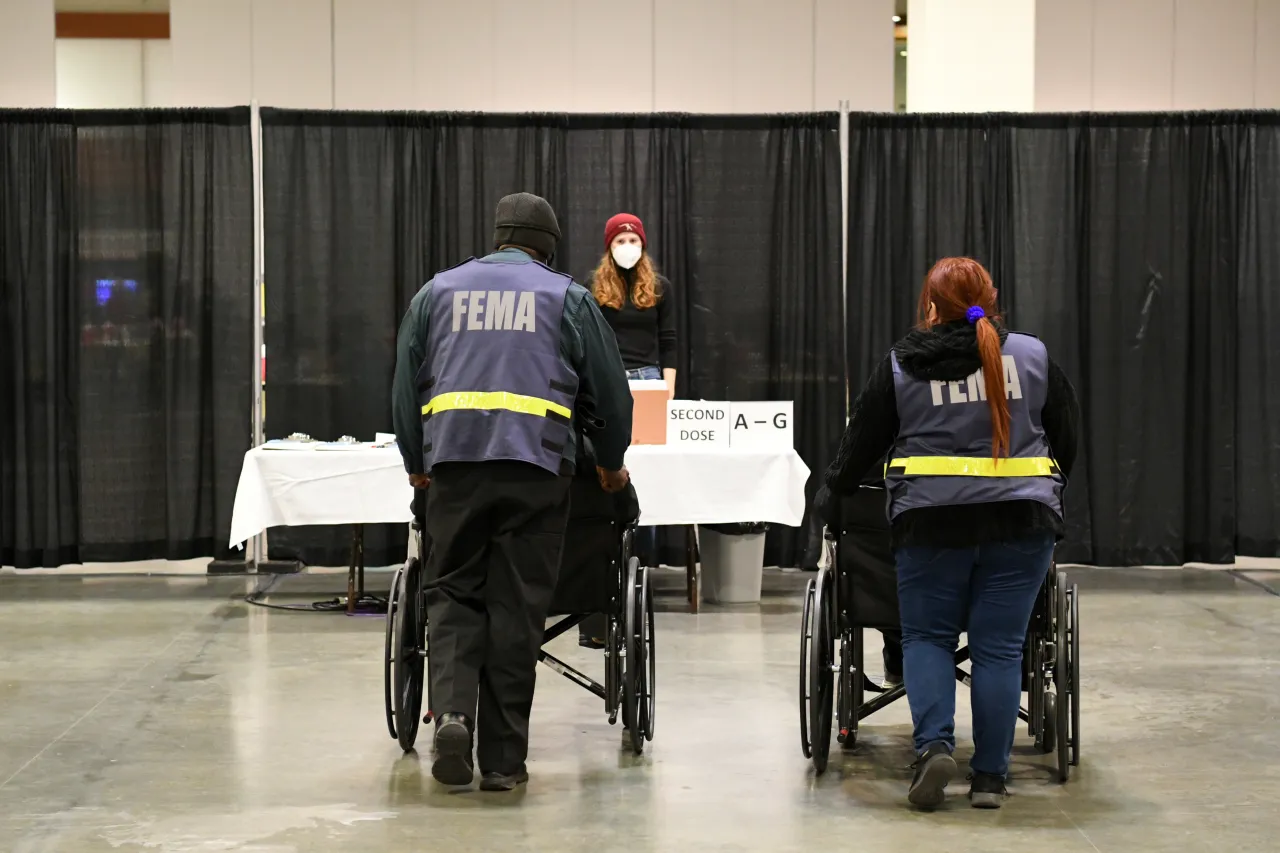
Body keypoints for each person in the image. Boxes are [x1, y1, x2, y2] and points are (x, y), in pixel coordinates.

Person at [817, 257, 1079, 810]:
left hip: (930, 525)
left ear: (930, 307)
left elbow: (852, 458)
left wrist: (833, 498)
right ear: (993, 298)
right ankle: (989, 777)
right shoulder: (1032, 356)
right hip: (1022, 523)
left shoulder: (901, 366)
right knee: (1000, 650)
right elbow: (1068, 438)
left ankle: (934, 747)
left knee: (928, 639)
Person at [392, 192, 633, 792]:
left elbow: (404, 385)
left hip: (455, 468)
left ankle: (451, 715)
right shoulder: (568, 299)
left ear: (498, 234)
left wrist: (416, 464)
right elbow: (610, 394)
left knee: (449, 591)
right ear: (548, 246)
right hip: (536, 469)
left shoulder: (436, 293)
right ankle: (502, 761)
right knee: (516, 605)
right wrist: (609, 465)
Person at [578, 212, 677, 648]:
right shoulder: (594, 290)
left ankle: (641, 556)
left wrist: (667, 386)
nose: (626, 244)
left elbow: (670, 338)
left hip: (650, 378)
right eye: (619, 238)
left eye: (632, 237)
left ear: (643, 242)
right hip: (609, 379)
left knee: (650, 465)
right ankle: (610, 552)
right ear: (608, 245)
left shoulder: (659, 287)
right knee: (611, 459)